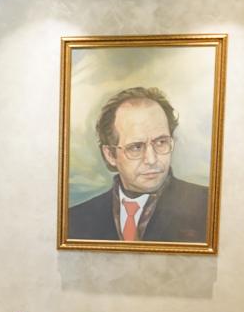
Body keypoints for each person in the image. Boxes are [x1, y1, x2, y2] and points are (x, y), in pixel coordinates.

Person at [65, 86, 209, 244]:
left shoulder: (208, 207)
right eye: (136, 147)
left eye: (161, 142)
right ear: (110, 154)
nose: (152, 159)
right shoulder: (74, 220)